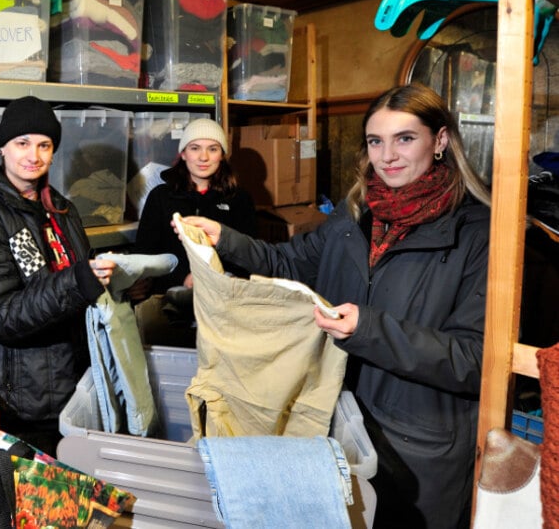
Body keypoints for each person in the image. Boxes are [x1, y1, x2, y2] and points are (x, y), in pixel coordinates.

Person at [179, 83, 491, 529]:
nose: (388, 156)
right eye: (375, 141)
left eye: (405, 138)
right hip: (342, 418)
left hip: (417, 444)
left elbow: (474, 359)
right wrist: (224, 239)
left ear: (440, 141)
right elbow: (287, 261)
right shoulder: (355, 215)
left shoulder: (477, 233)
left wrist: (368, 329)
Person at [0, 96, 115, 456]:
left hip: (71, 389)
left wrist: (118, 284)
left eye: (44, 145)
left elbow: (79, 284)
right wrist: (78, 282)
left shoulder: (61, 208)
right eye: (22, 143)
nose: (33, 155)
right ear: (2, 147)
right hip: (18, 399)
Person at [129, 116, 257, 302]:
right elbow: (145, 256)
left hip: (224, 297)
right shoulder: (161, 197)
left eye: (212, 149)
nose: (203, 157)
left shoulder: (239, 199)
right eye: (195, 148)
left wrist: (223, 279)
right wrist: (182, 278)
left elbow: (249, 256)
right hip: (170, 298)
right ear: (183, 154)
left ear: (222, 155)